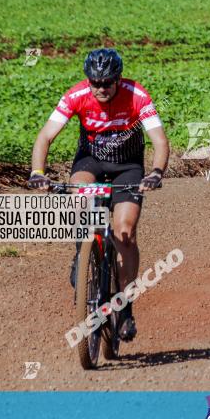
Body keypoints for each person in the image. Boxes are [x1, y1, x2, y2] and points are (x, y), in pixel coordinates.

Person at [28, 48, 169, 342]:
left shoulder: (136, 95)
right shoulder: (77, 95)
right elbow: (45, 136)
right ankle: (83, 253)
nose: (101, 88)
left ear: (118, 79)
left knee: (125, 233)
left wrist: (156, 172)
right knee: (78, 200)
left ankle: (126, 307)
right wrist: (38, 172)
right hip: (90, 161)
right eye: (95, 82)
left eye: (107, 82)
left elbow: (159, 140)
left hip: (128, 166)